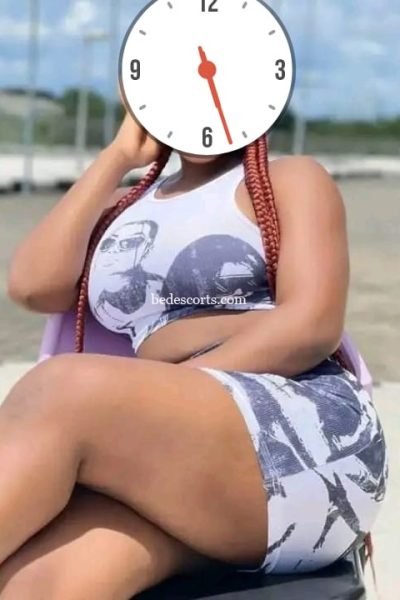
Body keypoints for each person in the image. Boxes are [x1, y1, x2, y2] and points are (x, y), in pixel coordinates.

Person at [0, 103, 388, 598]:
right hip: (184, 462)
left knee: (62, 386)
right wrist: (119, 155)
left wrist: (159, 391)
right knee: (39, 584)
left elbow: (310, 325)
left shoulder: (288, 179)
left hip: (295, 426)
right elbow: (33, 286)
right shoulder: (122, 206)